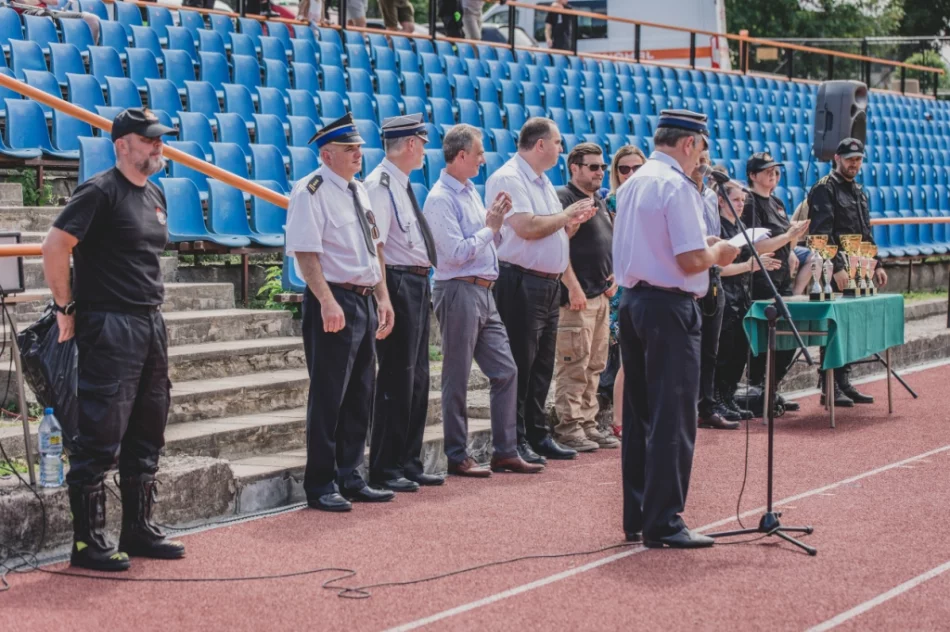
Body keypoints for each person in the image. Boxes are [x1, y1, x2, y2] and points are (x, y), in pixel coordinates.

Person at [42, 108, 183, 571]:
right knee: (100, 434)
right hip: (110, 324)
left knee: (148, 429)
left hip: (149, 322)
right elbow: (55, 245)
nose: (158, 147)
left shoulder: (155, 192)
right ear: (122, 144)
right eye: (148, 141)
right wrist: (65, 310)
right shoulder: (100, 190)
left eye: (160, 140)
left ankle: (137, 529)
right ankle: (88, 543)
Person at [613, 109, 740, 549]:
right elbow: (689, 261)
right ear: (690, 144)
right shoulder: (676, 185)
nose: (702, 157)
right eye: (702, 147)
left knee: (641, 413)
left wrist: (702, 249)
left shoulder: (634, 183)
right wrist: (720, 251)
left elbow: (662, 246)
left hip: (634, 303)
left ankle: (639, 514)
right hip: (669, 307)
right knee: (672, 416)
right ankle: (664, 521)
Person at [284, 112, 396, 513]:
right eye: (350, 149)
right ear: (327, 155)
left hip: (363, 297)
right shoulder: (310, 190)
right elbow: (306, 251)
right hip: (334, 300)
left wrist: (382, 296)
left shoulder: (356, 190)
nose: (358, 155)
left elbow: (373, 248)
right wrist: (328, 301)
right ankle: (321, 482)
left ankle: (351, 474)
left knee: (360, 393)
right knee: (329, 394)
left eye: (360, 148)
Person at [424, 124, 544, 477]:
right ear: (460, 155)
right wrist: (491, 228)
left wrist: (498, 225)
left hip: (483, 290)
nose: (482, 159)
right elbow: (455, 252)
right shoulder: (439, 199)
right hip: (458, 288)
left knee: (506, 370)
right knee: (456, 375)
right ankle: (457, 453)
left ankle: (504, 450)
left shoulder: (469, 191)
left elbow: (484, 239)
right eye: (477, 153)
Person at [486, 117, 596, 464]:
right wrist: (567, 216)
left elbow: (554, 234)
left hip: (546, 282)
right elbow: (527, 228)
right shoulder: (508, 178)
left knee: (542, 365)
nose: (561, 148)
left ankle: (536, 433)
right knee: (520, 362)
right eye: (558, 142)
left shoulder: (544, 181)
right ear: (540, 145)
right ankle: (513, 439)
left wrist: (570, 223)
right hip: (519, 280)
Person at [364, 114, 443, 492]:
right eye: (423, 142)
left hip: (415, 281)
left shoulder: (402, 184)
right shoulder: (380, 185)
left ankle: (408, 460)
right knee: (397, 375)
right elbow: (376, 247)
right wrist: (383, 295)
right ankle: (385, 465)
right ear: (411, 143)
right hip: (396, 282)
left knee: (417, 377)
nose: (425, 149)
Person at [807, 137, 886, 406]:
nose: (854, 163)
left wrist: (878, 265)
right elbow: (819, 233)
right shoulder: (824, 189)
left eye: (859, 159)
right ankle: (828, 385)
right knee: (834, 327)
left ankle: (843, 381)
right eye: (850, 158)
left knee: (851, 326)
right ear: (837, 158)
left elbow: (866, 233)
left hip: (859, 268)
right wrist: (836, 268)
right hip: (833, 269)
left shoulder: (859, 191)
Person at [551, 143, 619, 452]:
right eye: (593, 167)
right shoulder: (563, 198)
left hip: (601, 295)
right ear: (575, 168)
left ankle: (589, 424)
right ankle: (569, 426)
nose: (600, 172)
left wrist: (614, 273)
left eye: (602, 167)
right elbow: (557, 246)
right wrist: (573, 287)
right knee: (573, 365)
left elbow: (607, 243)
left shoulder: (599, 201)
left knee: (595, 366)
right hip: (576, 298)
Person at [741, 152, 810, 412]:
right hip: (761, 280)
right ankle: (759, 391)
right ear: (752, 175)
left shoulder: (777, 202)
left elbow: (783, 237)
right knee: (765, 339)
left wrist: (791, 247)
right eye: (766, 170)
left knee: (788, 337)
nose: (773, 174)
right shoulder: (750, 204)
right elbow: (757, 244)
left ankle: (773, 388)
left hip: (782, 278)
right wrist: (789, 236)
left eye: (775, 170)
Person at [714, 179, 782, 421]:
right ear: (721, 201)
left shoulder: (741, 226)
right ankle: (717, 399)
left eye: (743, 200)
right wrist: (749, 265)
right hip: (724, 294)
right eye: (736, 200)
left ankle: (729, 396)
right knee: (724, 351)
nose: (741, 205)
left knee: (739, 351)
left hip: (742, 294)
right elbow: (717, 269)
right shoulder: (718, 228)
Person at [689, 153, 738, 430]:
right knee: (689, 347)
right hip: (687, 275)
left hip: (711, 275)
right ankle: (687, 406)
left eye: (706, 157)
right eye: (698, 157)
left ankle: (707, 405)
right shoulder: (681, 191)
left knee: (710, 348)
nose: (703, 162)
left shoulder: (709, 195)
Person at [603, 146, 646, 439]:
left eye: (636, 168)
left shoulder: (650, 200)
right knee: (628, 357)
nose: (631, 174)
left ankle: (636, 413)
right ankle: (618, 418)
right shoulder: (613, 202)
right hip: (621, 283)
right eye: (624, 169)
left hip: (644, 280)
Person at [9, 0, 100, 43]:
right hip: (26, 13)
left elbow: (54, 2)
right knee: (47, 17)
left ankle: (87, 55)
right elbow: (24, 2)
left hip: (48, 12)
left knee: (92, 19)